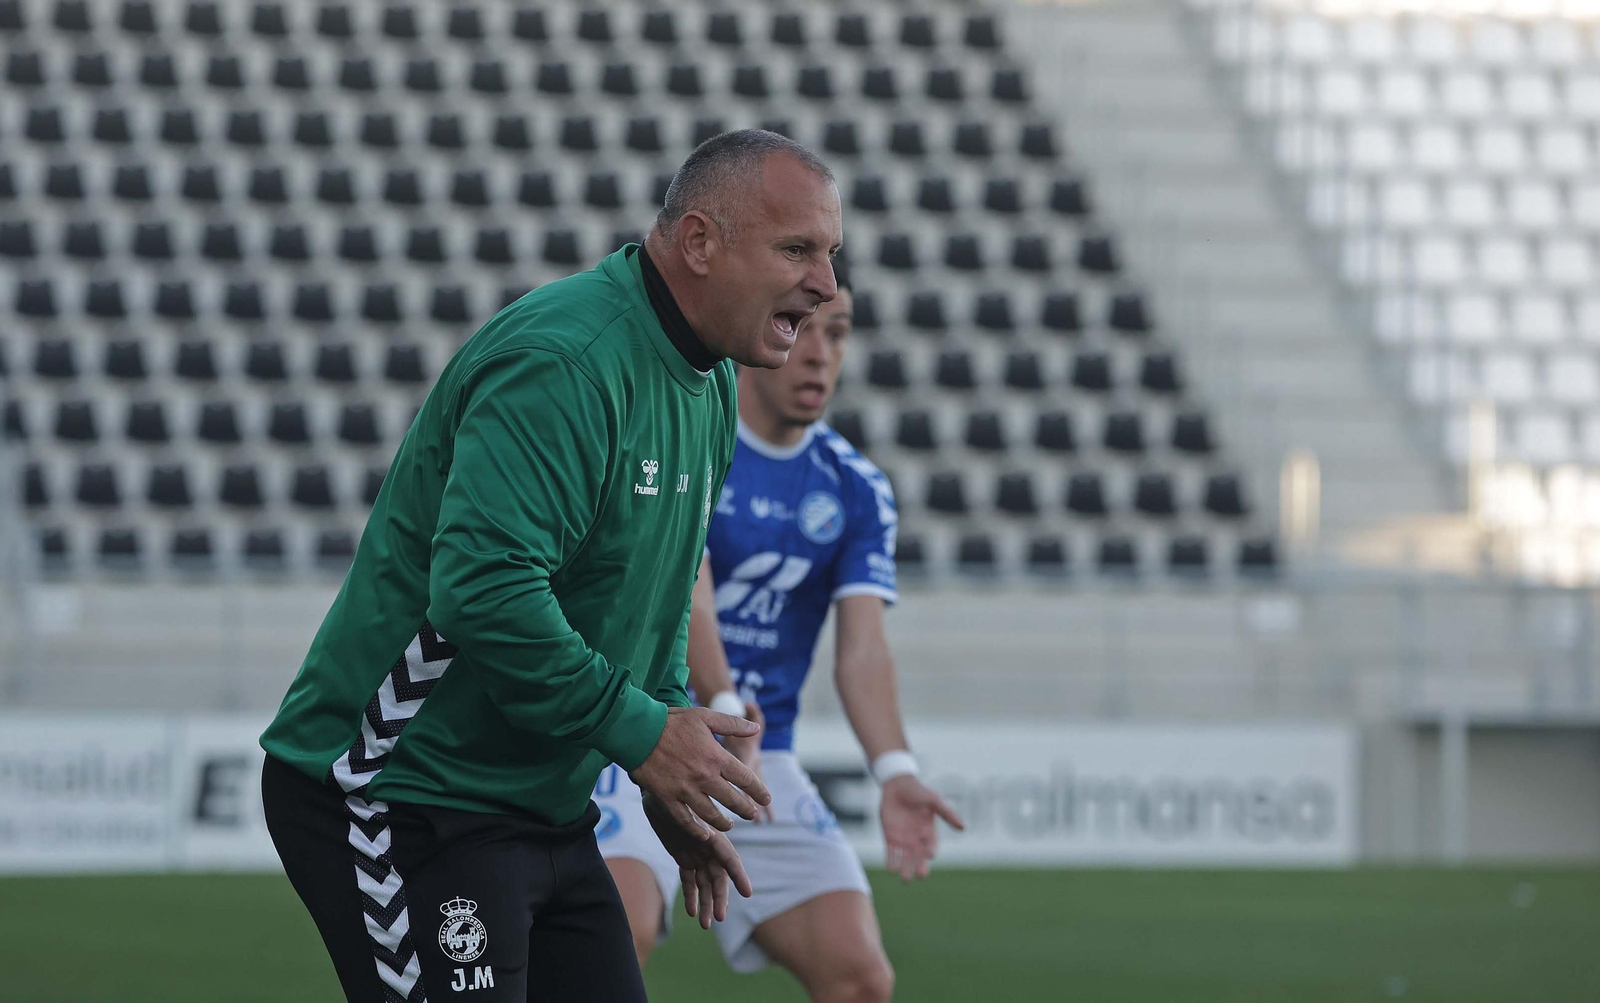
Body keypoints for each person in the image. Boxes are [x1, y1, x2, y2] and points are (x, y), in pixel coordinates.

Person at [258, 129, 843, 1002]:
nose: (827, 284)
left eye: (830, 255)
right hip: (399, 788)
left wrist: (669, 752)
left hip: (543, 801)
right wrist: (644, 734)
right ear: (698, 243)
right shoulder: (565, 361)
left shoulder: (711, 379)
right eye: (797, 249)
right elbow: (481, 591)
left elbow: (656, 588)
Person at [594, 257, 966, 1002]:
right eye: (806, 328)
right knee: (614, 936)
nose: (823, 352)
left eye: (841, 331)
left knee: (860, 976)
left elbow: (862, 651)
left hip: (762, 763)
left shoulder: (855, 486)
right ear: (764, 329)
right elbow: (685, 592)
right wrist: (726, 705)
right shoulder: (694, 432)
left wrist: (894, 770)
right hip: (645, 735)